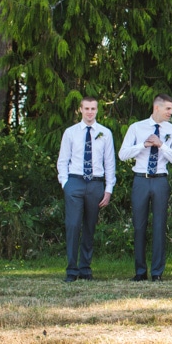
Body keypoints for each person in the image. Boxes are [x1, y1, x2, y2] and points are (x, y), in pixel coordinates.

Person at [118, 94, 172, 282]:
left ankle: (157, 272)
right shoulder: (136, 128)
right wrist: (143, 144)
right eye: (168, 109)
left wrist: (161, 145)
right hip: (140, 179)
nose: (171, 112)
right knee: (139, 226)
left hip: (161, 180)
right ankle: (140, 272)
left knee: (159, 225)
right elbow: (122, 154)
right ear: (157, 108)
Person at [56, 97, 116, 282]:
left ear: (98, 110)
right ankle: (71, 270)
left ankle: (85, 268)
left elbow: (110, 163)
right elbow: (63, 160)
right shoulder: (70, 132)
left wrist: (108, 189)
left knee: (90, 227)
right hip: (75, 182)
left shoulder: (105, 133)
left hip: (95, 184)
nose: (90, 112)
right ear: (80, 110)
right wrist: (65, 183)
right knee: (73, 226)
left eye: (93, 108)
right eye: (87, 108)